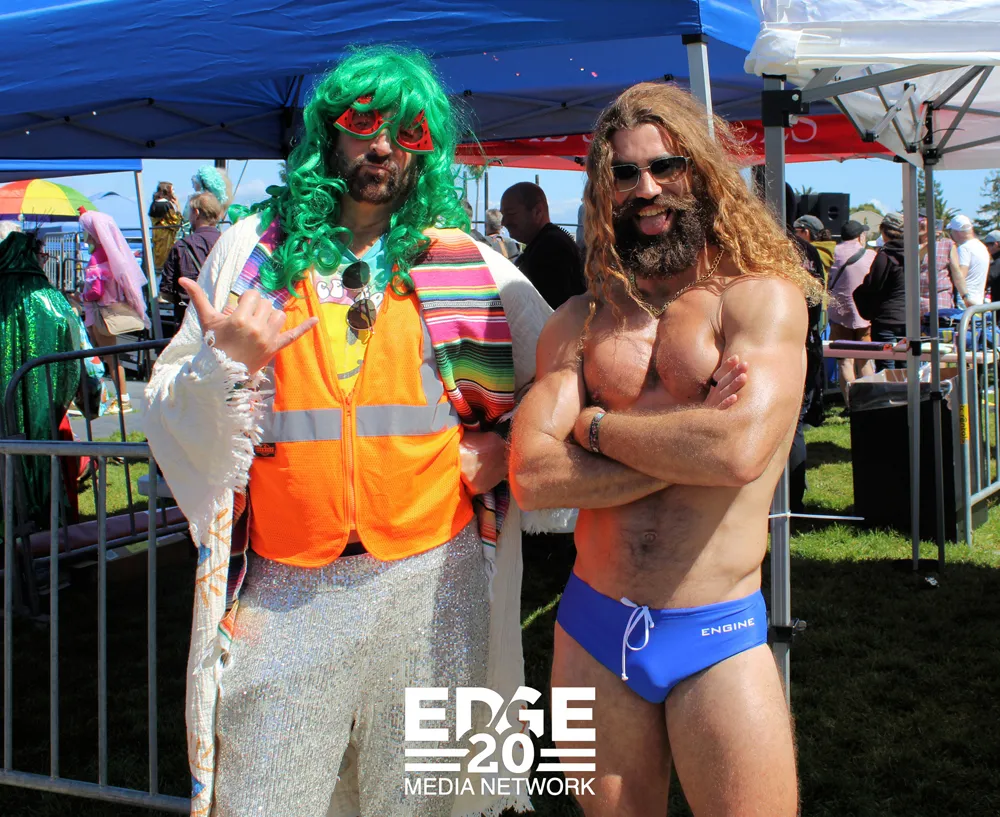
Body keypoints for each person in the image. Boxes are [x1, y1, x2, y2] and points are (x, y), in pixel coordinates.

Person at [143, 45, 552, 817]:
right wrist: (224, 367)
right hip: (287, 589)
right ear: (329, 132)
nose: (384, 145)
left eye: (409, 130)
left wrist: (510, 446)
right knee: (264, 800)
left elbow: (561, 369)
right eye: (364, 122)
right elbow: (165, 403)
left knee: (426, 801)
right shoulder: (252, 253)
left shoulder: (465, 263)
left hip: (434, 583)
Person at [510, 81, 819, 817]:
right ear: (603, 190)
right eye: (624, 173)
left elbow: (738, 451)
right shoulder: (579, 321)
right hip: (592, 627)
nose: (646, 189)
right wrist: (687, 443)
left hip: (715, 629)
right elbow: (530, 474)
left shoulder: (759, 299)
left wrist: (593, 429)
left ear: (701, 173)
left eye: (665, 167)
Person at [0, 231, 81, 528]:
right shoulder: (50, 297)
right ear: (32, 255)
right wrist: (64, 396)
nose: (44, 259)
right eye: (43, 254)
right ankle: (42, 522)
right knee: (40, 451)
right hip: (42, 403)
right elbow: (72, 355)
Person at [79, 210, 151, 412]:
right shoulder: (114, 255)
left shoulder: (96, 258)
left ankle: (121, 398)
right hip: (111, 309)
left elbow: (96, 291)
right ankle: (108, 397)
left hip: (100, 313)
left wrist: (82, 296)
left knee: (107, 357)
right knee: (108, 357)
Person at [501, 181, 585, 309]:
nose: (504, 222)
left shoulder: (551, 249)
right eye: (503, 215)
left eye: (511, 214)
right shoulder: (546, 243)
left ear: (537, 211)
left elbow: (547, 308)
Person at [827, 220, 875, 410]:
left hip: (838, 314)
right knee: (865, 360)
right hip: (865, 315)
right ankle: (870, 405)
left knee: (845, 361)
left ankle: (851, 406)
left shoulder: (833, 253)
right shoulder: (870, 255)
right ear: (860, 236)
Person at [160, 190, 224, 331]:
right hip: (223, 319)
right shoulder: (229, 242)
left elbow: (166, 291)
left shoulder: (181, 246)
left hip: (189, 320)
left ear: (196, 212)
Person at [853, 212, 906, 371]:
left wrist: (859, 293)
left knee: (885, 368)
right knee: (906, 367)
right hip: (908, 319)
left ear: (883, 230)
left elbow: (872, 285)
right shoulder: (914, 255)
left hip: (886, 320)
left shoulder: (885, 255)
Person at [947, 214, 990, 307]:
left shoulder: (964, 248)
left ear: (957, 232)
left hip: (964, 301)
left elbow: (960, 275)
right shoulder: (981, 246)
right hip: (978, 300)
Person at [919, 216, 954, 316]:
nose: (920, 223)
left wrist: (965, 296)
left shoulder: (947, 244)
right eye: (918, 220)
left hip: (940, 297)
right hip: (916, 299)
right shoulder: (908, 244)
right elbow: (914, 261)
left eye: (923, 220)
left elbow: (957, 273)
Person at [149, 182, 182, 272]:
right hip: (167, 237)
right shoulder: (167, 205)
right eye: (172, 189)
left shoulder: (154, 204)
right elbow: (175, 223)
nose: (174, 191)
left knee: (157, 256)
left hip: (157, 235)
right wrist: (178, 207)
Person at [793, 214, 835, 279]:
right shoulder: (830, 251)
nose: (794, 235)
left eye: (796, 231)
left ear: (806, 232)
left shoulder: (809, 255)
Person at [984, 229, 1000, 303]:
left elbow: (987, 278)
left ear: (996, 244)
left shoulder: (998, 262)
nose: (987, 248)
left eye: (988, 245)